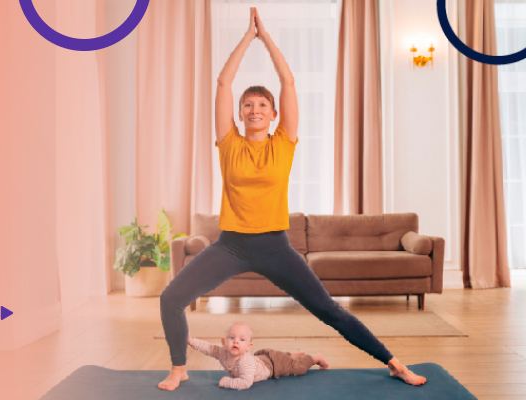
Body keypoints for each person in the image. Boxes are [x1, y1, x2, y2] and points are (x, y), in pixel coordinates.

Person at [157, 7, 427, 391]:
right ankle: (178, 367)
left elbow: (287, 79)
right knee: (171, 298)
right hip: (231, 245)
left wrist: (265, 39)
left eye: (262, 106)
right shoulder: (228, 144)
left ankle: (395, 363)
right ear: (239, 113)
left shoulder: (283, 144)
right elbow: (222, 82)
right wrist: (244, 40)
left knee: (328, 310)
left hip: (274, 246)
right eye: (247, 105)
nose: (254, 110)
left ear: (273, 115)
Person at [188, 321, 328, 390]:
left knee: (298, 369)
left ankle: (315, 357)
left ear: (249, 347)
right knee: (283, 358)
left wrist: (227, 382)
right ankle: (291, 355)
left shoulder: (245, 363)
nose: (236, 341)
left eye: (242, 339)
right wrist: (191, 341)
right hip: (263, 357)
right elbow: (208, 348)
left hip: (272, 365)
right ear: (224, 342)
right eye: (232, 337)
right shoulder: (221, 352)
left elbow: (246, 382)